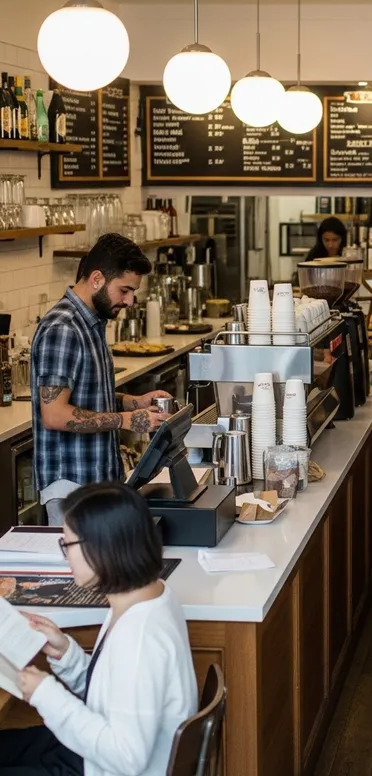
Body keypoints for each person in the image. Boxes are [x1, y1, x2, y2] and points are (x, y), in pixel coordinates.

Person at [0, 482, 197, 776]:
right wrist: (66, 653)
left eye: (67, 545)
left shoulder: (139, 637)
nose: (64, 556)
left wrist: (45, 693)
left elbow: (127, 758)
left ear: (102, 548)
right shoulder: (148, 596)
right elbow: (114, 697)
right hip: (91, 753)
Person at [31, 235, 171, 527]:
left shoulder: (91, 322)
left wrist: (134, 402)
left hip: (97, 482)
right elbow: (54, 414)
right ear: (96, 278)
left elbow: (89, 393)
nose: (130, 301)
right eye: (125, 290)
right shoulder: (63, 328)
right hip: (73, 489)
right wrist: (126, 420)